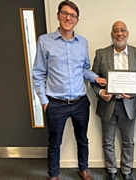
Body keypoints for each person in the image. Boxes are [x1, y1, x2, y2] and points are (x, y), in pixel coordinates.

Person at [32, 1, 106, 180]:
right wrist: (44, 102)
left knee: (82, 139)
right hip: (55, 104)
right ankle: (54, 174)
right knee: (54, 142)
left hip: (80, 102)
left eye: (72, 15)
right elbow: (38, 73)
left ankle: (84, 169)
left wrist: (95, 78)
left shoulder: (82, 43)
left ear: (77, 20)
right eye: (64, 13)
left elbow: (84, 69)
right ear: (58, 15)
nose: (68, 18)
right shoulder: (45, 41)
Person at [90, 21, 136, 180]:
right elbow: (94, 79)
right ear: (111, 35)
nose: (119, 34)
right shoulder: (101, 54)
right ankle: (111, 171)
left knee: (128, 141)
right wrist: (101, 92)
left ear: (127, 33)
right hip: (108, 104)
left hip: (129, 105)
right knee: (107, 141)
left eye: (122, 31)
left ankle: (127, 170)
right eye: (116, 31)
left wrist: (133, 93)